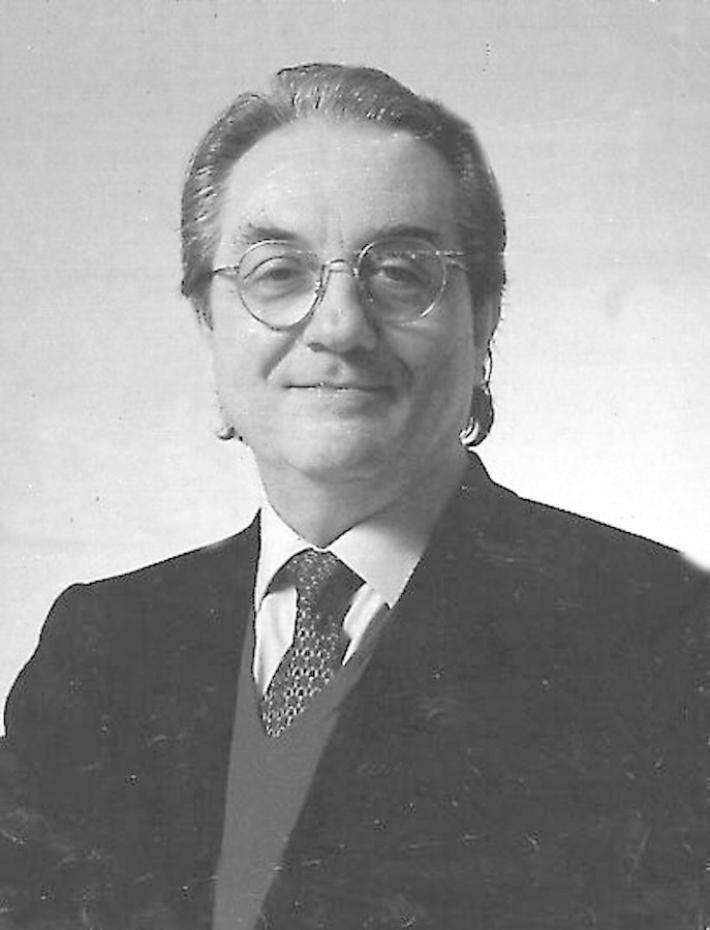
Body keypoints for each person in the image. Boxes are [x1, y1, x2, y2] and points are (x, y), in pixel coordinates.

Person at [0, 63, 707, 930]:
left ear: (484, 317)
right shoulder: (101, 647)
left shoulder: (658, 636)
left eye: (401, 273)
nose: (338, 326)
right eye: (275, 273)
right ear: (209, 325)